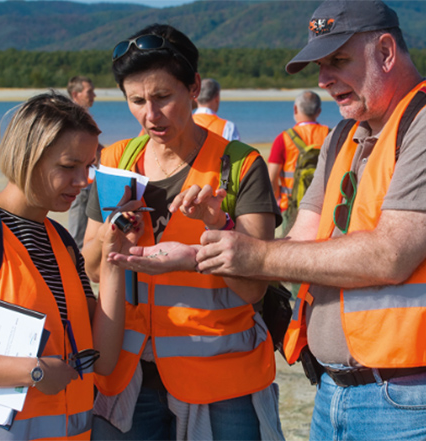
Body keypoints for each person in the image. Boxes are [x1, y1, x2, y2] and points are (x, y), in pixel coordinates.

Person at [195, 1, 426, 440]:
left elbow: (390, 255)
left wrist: (255, 254)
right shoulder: (344, 135)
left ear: (385, 51)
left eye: (338, 61)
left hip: (419, 395)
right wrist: (226, 239)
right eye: (320, 66)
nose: (323, 80)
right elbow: (298, 244)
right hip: (334, 391)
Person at [81, 24, 283, 440]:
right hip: (130, 376)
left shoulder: (240, 166)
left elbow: (254, 290)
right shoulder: (116, 160)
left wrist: (218, 226)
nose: (150, 116)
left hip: (223, 377)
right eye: (136, 101)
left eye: (162, 98)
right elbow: (94, 267)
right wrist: (114, 239)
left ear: (193, 87)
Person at [0, 92, 141, 440]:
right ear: (28, 158)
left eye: (89, 166)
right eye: (68, 166)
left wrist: (112, 261)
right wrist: (31, 371)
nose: (84, 181)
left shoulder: (61, 241)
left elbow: (102, 360)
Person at [267, 90, 329, 231]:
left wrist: (275, 203)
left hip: (290, 206)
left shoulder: (283, 139)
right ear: (318, 111)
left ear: (295, 109)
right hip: (324, 207)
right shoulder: (331, 135)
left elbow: (272, 178)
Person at [66, 75, 101, 249]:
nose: (93, 95)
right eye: (89, 91)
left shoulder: (83, 118)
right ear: (76, 94)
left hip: (89, 183)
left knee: (87, 235)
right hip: (81, 185)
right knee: (77, 236)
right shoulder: (73, 120)